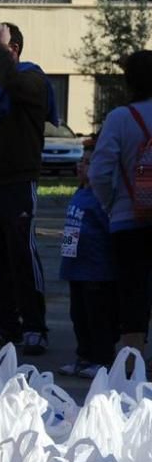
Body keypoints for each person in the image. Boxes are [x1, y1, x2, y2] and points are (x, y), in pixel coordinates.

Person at [0, 22, 58, 356]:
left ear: (14, 50)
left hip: (17, 184)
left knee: (22, 256)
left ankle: (35, 328)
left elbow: (17, 85)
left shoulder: (32, 81)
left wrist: (4, 51)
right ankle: (8, 326)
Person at [89, 49, 152, 367]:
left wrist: (111, 203)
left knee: (132, 292)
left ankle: (132, 363)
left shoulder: (120, 118)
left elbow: (99, 171)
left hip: (129, 219)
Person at [58, 137, 117, 378]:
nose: (81, 166)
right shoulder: (79, 193)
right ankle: (83, 356)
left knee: (97, 317)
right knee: (79, 316)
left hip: (96, 270)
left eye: (88, 163)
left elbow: (109, 232)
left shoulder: (102, 199)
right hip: (76, 268)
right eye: (81, 161)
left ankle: (101, 360)